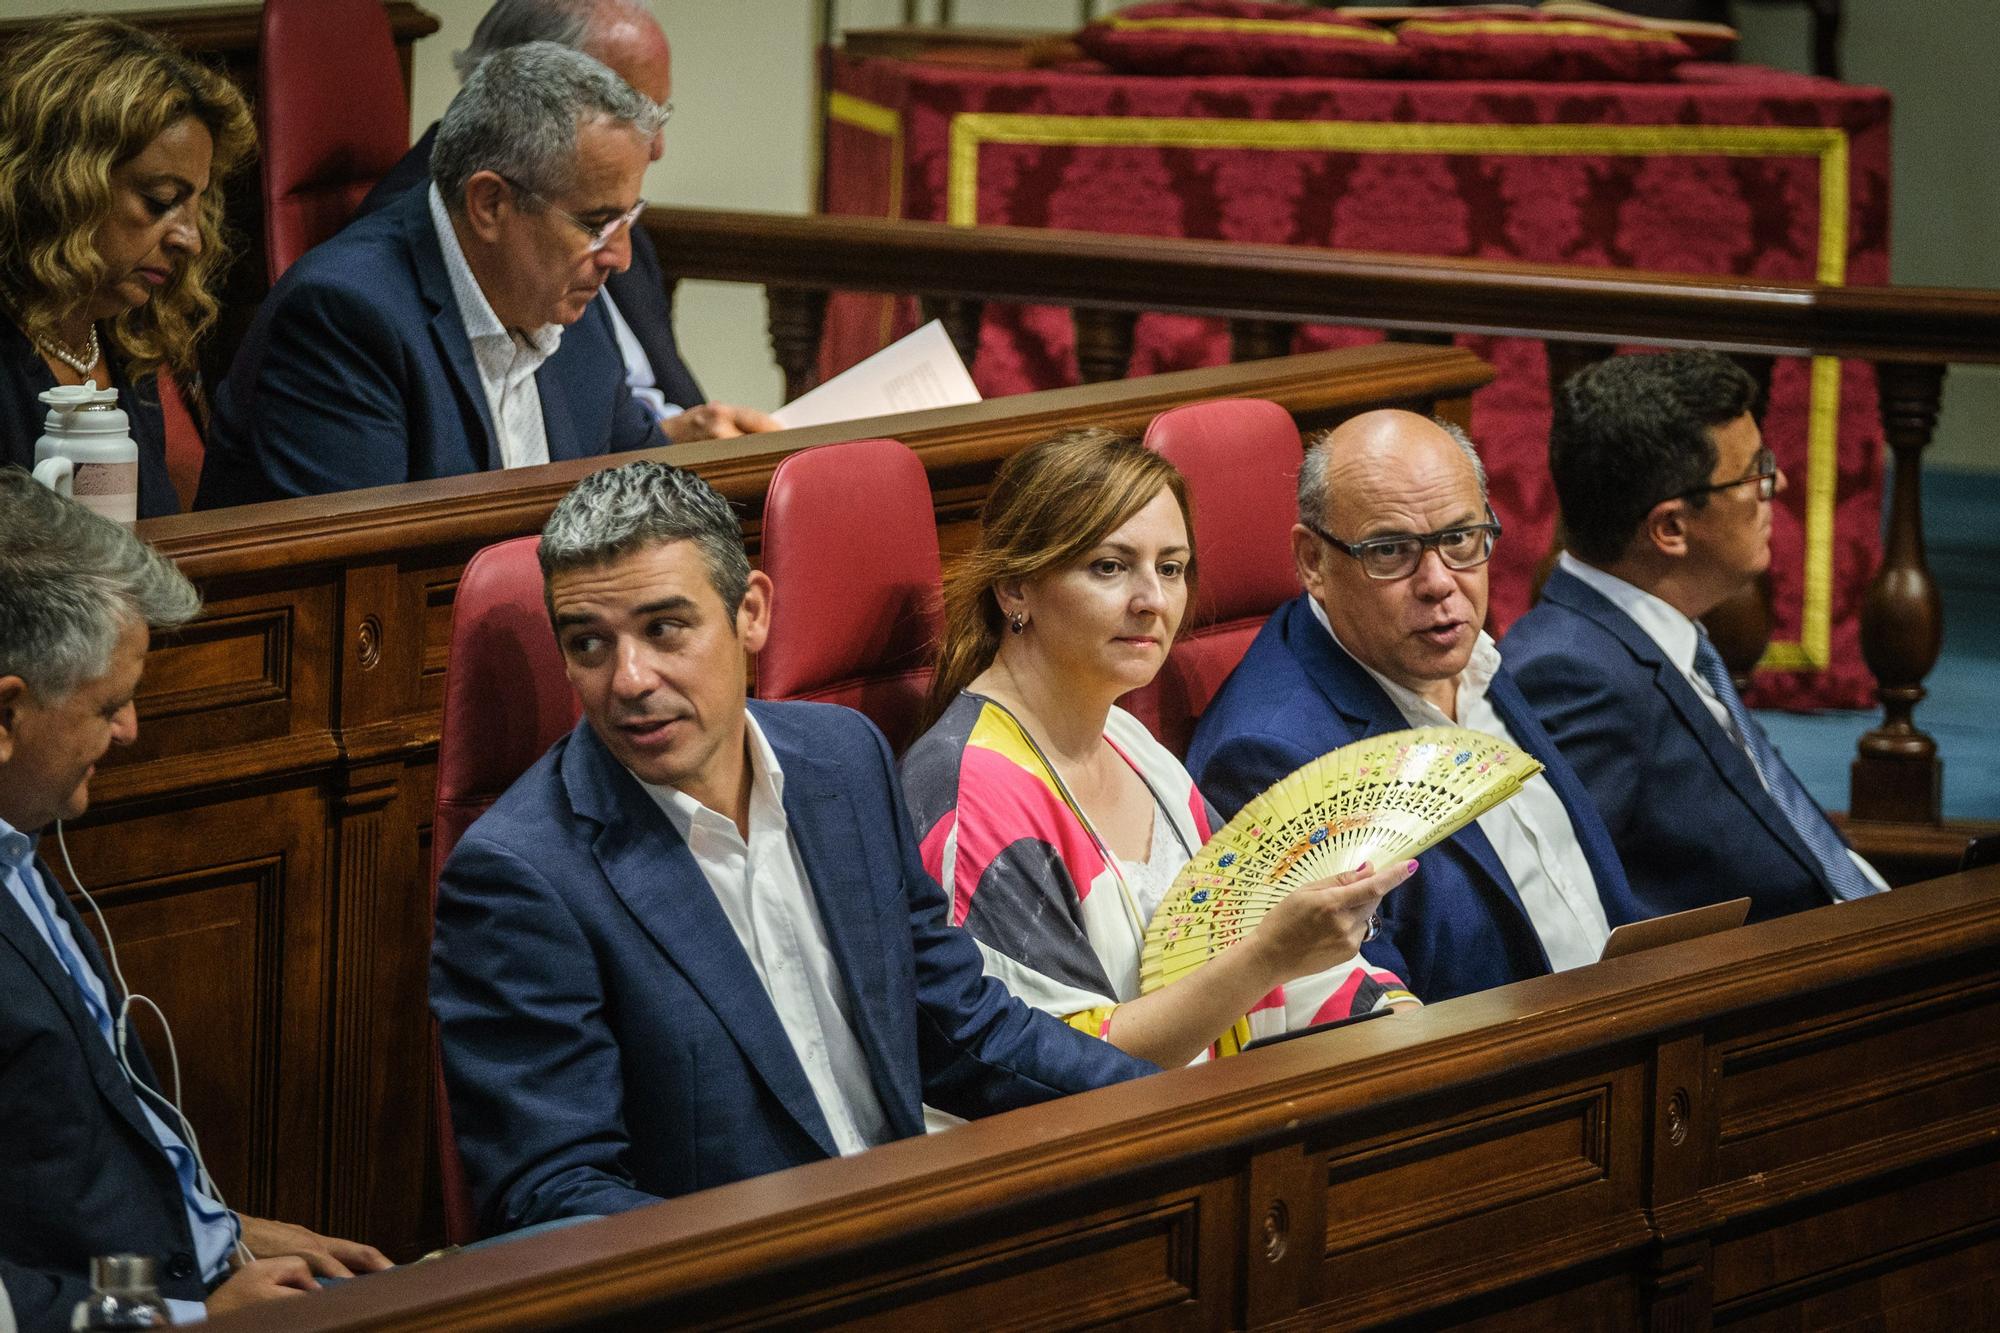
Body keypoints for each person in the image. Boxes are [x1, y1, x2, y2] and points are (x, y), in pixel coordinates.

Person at [430, 459, 1156, 1234]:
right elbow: (558, 1193)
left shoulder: (843, 759)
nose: (630, 679)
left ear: (751, 612)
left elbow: (959, 1024)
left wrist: (1163, 1106)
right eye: (589, 644)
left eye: (664, 628)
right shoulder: (521, 876)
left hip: (913, 1235)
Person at [0, 469, 390, 1333]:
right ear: (6, 715)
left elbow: (71, 1169)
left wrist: (222, 1228)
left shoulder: (17, 839)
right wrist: (177, 1313)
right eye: (110, 703)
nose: (132, 729)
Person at [901, 429, 1415, 1071]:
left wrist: (1397, 1018)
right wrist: (1269, 957)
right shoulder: (972, 795)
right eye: (1110, 567)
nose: (1153, 602)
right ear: (1016, 589)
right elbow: (1051, 1067)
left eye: (1170, 568)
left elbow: (1253, 918)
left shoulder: (1130, 741)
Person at [1186, 410, 1645, 1004]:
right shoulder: (1272, 755)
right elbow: (1370, 1024)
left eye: (1458, 539)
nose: (1439, 582)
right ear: (1313, 562)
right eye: (1391, 550)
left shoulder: (1461, 655)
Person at [1503, 350, 1889, 921]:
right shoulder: (1571, 674)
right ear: (1671, 528)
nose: (1776, 483)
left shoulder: (1668, 638)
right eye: (1755, 471)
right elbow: (1558, 914)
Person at [196, 43, 669, 508]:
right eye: (595, 225)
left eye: (628, 221)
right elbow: (366, 571)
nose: (619, 257)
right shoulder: (342, 316)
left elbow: (654, 497)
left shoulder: (566, 298)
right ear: (490, 205)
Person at [353, 0, 775, 444]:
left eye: (657, 116)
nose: (656, 147)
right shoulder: (488, 260)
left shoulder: (586, 251)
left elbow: (624, 439)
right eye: (627, 112)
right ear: (531, 87)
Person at [0, 17, 253, 518]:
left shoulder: (129, 338)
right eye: (160, 201)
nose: (192, 239)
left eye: (196, 203)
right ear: (62, 184)